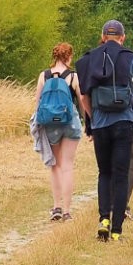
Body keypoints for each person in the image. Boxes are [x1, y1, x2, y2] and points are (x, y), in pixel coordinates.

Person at [74, 19, 133, 242]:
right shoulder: (132, 58)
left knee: (104, 173)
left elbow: (83, 96)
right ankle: (117, 230)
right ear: (123, 37)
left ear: (103, 36)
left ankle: (103, 219)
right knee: (120, 174)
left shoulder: (89, 59)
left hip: (101, 125)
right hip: (124, 124)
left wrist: (92, 118)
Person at [32, 42, 82, 221]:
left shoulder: (43, 76)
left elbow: (37, 102)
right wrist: (88, 122)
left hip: (50, 125)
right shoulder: (73, 76)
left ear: (55, 56)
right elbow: (82, 100)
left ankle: (56, 207)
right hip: (70, 122)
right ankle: (67, 211)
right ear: (69, 57)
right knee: (68, 166)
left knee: (55, 165)